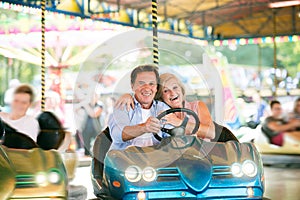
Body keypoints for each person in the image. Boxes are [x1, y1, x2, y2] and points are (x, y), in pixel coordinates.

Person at [116, 73, 215, 140]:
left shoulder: (197, 106)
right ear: (160, 96)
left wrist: (179, 123)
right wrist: (129, 96)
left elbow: (211, 133)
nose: (172, 93)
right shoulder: (158, 112)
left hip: (201, 156)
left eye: (175, 87)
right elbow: (144, 99)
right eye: (166, 91)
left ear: (181, 89)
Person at [108, 64, 170, 150]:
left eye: (151, 84)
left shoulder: (163, 108)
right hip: (124, 158)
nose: (147, 88)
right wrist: (144, 127)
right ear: (132, 86)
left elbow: (172, 134)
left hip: (154, 158)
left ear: (156, 88)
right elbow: (117, 134)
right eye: (141, 83)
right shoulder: (124, 104)